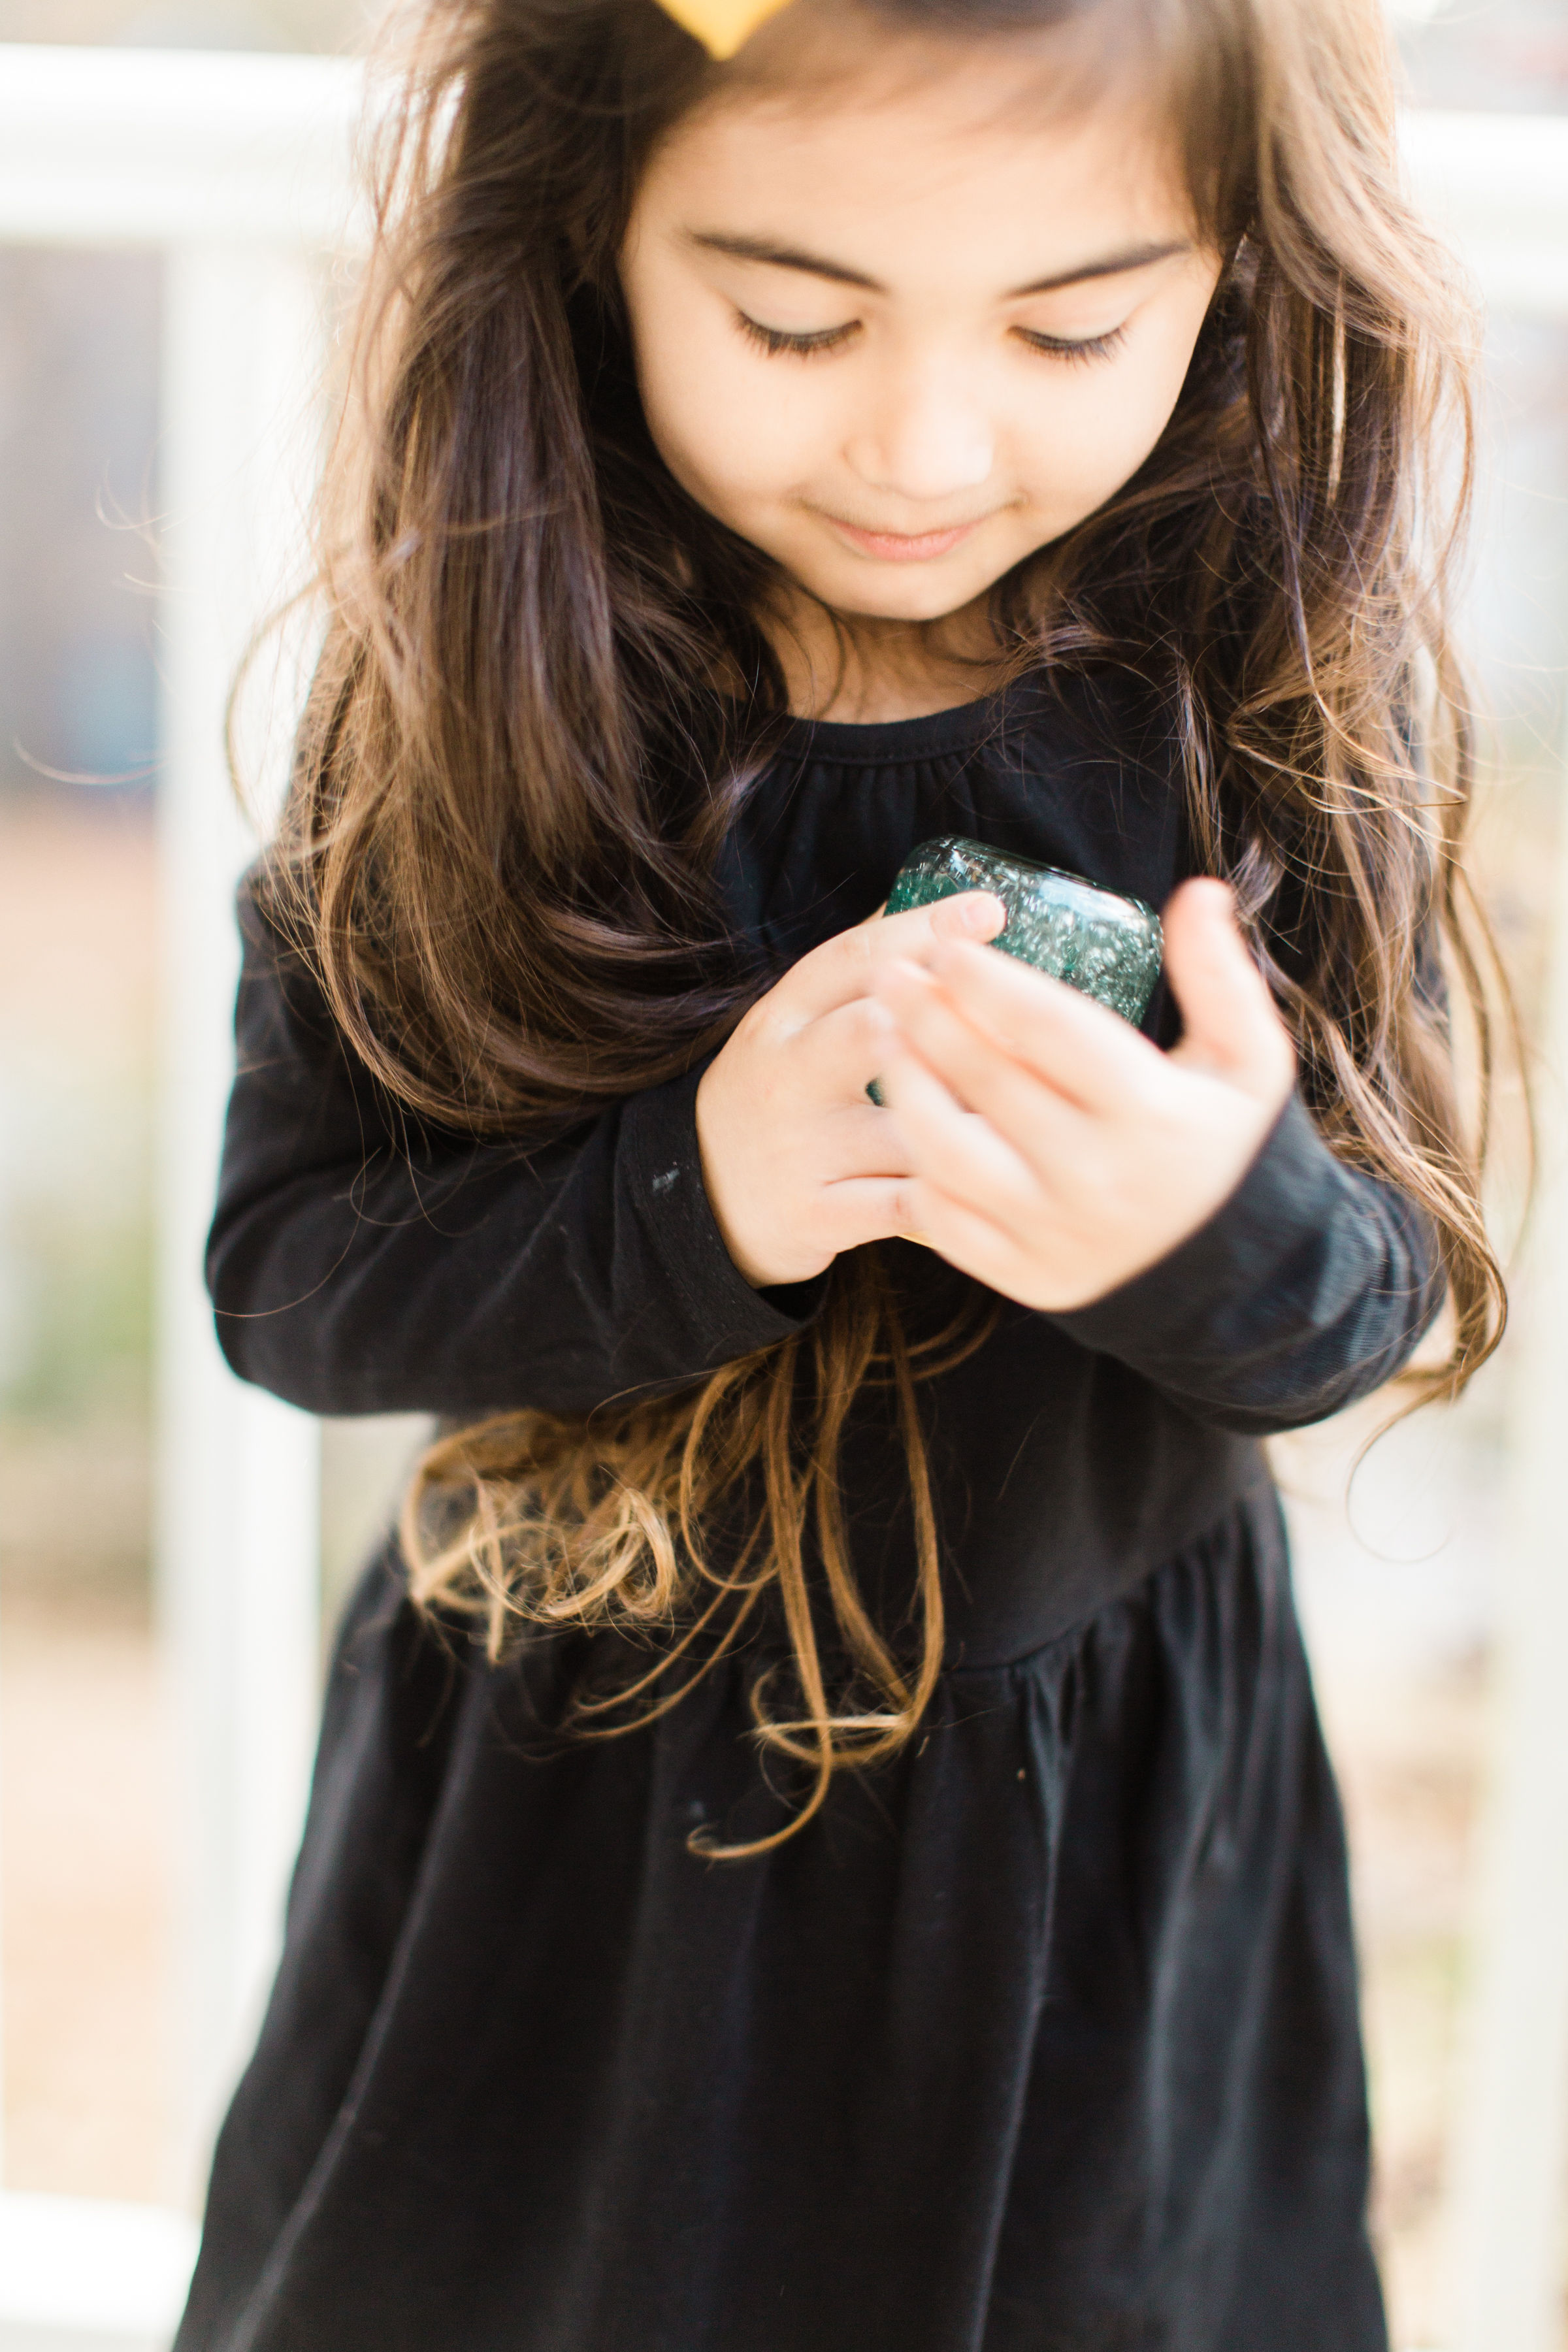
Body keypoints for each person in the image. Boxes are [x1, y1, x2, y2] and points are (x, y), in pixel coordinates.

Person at [173, 0, 1505, 2344]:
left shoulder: (1259, 691)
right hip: (572, 1879)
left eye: (1072, 320)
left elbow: (1374, 1298)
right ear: (589, 228)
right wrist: (702, 1197)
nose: (925, 439)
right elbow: (290, 1279)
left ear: (1232, 263)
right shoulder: (487, 683)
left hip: (1076, 1902)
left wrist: (1212, 1228)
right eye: (792, 317)